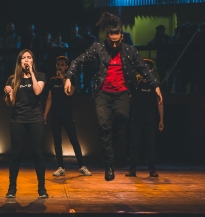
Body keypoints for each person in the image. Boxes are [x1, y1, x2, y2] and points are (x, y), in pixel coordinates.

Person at [64, 12, 163, 181]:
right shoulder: (98, 48)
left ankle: (116, 131)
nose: (115, 44)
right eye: (112, 41)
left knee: (123, 115)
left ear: (122, 37)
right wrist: (68, 77)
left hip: (122, 92)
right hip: (102, 92)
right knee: (103, 127)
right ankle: (109, 165)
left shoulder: (130, 51)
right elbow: (77, 61)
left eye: (118, 41)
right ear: (107, 37)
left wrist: (156, 86)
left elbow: (143, 68)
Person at [3, 49, 48, 198]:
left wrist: (32, 74)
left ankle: (42, 189)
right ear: (19, 61)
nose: (26, 60)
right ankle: (12, 189)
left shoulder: (40, 76)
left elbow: (37, 91)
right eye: (23, 58)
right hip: (18, 119)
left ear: (33, 60)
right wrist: (9, 93)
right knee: (15, 154)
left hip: (35, 118)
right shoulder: (13, 79)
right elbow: (10, 103)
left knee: (38, 154)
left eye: (29, 57)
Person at [43, 56, 92, 176]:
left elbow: (69, 92)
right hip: (55, 115)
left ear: (66, 67)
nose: (60, 67)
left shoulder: (71, 79)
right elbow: (49, 99)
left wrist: (63, 79)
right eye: (58, 64)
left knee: (74, 140)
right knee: (57, 141)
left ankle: (82, 166)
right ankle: (61, 167)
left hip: (67, 115)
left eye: (62, 65)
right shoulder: (52, 81)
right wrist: (45, 114)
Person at [125, 59, 164, 177]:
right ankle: (132, 170)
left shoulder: (155, 84)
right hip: (137, 118)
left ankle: (152, 170)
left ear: (151, 70)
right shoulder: (136, 83)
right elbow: (128, 96)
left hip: (150, 119)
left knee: (150, 145)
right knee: (134, 145)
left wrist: (161, 120)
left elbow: (160, 102)